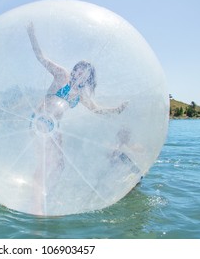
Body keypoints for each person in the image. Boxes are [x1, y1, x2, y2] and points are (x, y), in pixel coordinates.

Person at [27, 22, 128, 214]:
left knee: (60, 165)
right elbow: (41, 57)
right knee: (46, 162)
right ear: (74, 70)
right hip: (40, 121)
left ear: (87, 79)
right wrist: (32, 34)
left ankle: (48, 193)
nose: (79, 73)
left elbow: (96, 110)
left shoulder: (80, 94)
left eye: (85, 73)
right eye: (79, 69)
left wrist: (116, 110)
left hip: (54, 127)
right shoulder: (61, 76)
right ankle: (36, 203)